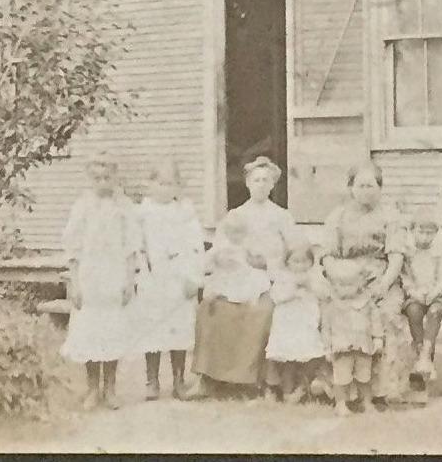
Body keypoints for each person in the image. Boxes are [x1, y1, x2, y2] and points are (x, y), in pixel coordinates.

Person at [188, 156, 296, 397]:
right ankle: (208, 378)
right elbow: (220, 249)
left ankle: (258, 380)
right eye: (255, 180)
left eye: (265, 180)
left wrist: (268, 263)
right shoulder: (235, 215)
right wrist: (224, 260)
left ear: (272, 185)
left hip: (268, 277)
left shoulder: (281, 216)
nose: (260, 184)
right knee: (211, 307)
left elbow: (294, 252)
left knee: (263, 310)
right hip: (235, 276)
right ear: (247, 183)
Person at [319, 161, 414, 409]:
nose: (366, 191)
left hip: (380, 277)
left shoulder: (390, 216)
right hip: (343, 279)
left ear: (380, 188)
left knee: (384, 315)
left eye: (371, 185)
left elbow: (396, 256)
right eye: (360, 185)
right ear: (350, 188)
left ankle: (382, 389)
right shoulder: (337, 216)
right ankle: (339, 389)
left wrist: (383, 285)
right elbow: (327, 256)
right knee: (335, 315)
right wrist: (339, 283)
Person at [61, 157, 143, 410]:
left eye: (107, 178)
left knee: (112, 330)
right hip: (90, 276)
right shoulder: (82, 206)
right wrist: (74, 282)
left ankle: (110, 388)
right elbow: (73, 246)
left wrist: (130, 279)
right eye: (97, 178)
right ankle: (92, 388)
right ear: (90, 179)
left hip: (115, 274)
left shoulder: (124, 207)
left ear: (115, 178)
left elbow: (132, 245)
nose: (102, 183)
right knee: (90, 331)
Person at [130, 159, 205, 400]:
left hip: (179, 277)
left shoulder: (185, 211)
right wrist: (141, 271)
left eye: (171, 184)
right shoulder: (141, 212)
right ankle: (152, 381)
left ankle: (179, 380)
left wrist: (193, 277)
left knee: (179, 328)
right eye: (161, 183)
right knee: (152, 328)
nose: (165, 188)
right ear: (150, 184)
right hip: (153, 277)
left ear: (178, 186)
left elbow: (195, 246)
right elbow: (136, 245)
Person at [264, 242, 327, 403]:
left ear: (311, 262)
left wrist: (310, 286)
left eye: (304, 261)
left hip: (306, 324)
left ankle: (303, 388)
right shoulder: (283, 278)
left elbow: (324, 294)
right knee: (288, 359)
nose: (300, 265)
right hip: (287, 325)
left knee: (309, 355)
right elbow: (276, 297)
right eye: (295, 261)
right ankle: (287, 391)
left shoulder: (314, 277)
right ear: (287, 262)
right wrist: (292, 289)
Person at [321, 259, 381, 416]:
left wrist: (378, 338)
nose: (343, 289)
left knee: (364, 378)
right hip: (341, 348)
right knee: (341, 379)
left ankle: (367, 403)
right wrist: (327, 348)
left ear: (359, 284)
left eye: (349, 285)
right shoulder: (332, 305)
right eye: (339, 285)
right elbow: (326, 328)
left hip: (363, 346)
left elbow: (375, 321)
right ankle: (340, 404)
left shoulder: (366, 303)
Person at [400, 206, 442, 389]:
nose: (425, 237)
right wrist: (413, 291)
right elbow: (404, 276)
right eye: (421, 232)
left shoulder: (440, 250)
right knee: (414, 312)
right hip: (414, 294)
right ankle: (421, 356)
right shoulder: (407, 251)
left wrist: (434, 292)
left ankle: (425, 355)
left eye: (430, 233)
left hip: (434, 294)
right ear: (413, 230)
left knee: (435, 312)